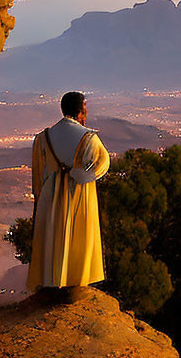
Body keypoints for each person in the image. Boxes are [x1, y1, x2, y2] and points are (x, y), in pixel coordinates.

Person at [27, 90, 111, 297]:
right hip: (77, 195)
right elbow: (101, 164)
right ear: (81, 110)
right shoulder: (89, 138)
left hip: (49, 195)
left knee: (52, 235)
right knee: (77, 236)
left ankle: (52, 282)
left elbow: (39, 174)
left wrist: (39, 199)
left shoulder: (43, 137)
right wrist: (79, 174)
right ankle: (75, 283)